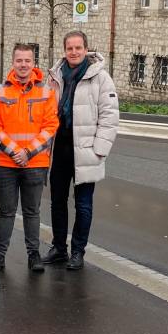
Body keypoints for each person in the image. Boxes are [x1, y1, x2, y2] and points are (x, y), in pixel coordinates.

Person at [44, 30, 119, 271]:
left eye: (78, 48)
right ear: (64, 51)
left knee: (83, 204)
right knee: (57, 201)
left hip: (86, 149)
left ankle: (77, 251)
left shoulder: (100, 78)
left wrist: (100, 149)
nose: (74, 52)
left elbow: (110, 116)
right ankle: (58, 248)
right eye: (70, 48)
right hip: (60, 148)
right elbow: (45, 112)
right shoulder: (55, 77)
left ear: (86, 49)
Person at [0, 43, 59, 273]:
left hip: (35, 163)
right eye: (19, 60)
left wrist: (27, 152)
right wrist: (15, 151)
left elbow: (50, 127)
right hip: (5, 162)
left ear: (33, 63)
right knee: (6, 211)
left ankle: (33, 254)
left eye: (28, 60)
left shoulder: (46, 92)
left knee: (32, 211)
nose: (23, 65)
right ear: (13, 62)